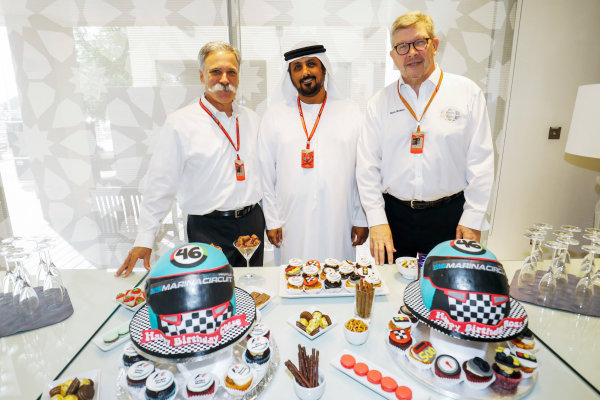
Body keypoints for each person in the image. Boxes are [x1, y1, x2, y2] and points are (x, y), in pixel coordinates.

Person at [116, 41, 264, 277]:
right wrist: (145, 237)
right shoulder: (180, 123)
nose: (224, 79)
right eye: (215, 71)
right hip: (208, 228)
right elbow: (160, 183)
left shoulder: (252, 119)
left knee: (255, 287)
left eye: (231, 72)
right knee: (213, 295)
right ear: (201, 75)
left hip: (252, 223)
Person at [357, 11, 494, 264]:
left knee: (448, 293)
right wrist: (376, 221)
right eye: (402, 46)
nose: (412, 52)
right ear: (393, 56)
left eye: (420, 42)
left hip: (451, 218)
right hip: (394, 219)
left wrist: (473, 218)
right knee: (394, 294)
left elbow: (481, 162)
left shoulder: (467, 93)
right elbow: (367, 168)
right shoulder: (378, 103)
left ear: (435, 45)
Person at [259, 42, 368, 264]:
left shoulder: (351, 112)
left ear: (324, 68)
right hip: (291, 219)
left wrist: (361, 217)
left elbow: (363, 170)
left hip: (340, 216)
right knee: (294, 277)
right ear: (290, 75)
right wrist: (272, 220)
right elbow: (265, 173)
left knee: (339, 276)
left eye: (311, 64)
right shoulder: (274, 115)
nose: (305, 72)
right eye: (297, 67)